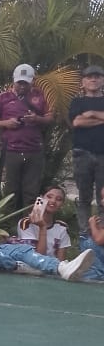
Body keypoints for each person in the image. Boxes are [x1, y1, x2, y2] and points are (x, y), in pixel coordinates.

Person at [0, 64, 52, 213]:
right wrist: (6, 123)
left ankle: (31, 226)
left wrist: (37, 119)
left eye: (25, 83)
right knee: (10, 191)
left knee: (32, 191)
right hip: (10, 150)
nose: (22, 86)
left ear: (32, 81)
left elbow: (50, 118)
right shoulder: (3, 97)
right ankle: (7, 227)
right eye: (19, 82)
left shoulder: (40, 96)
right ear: (14, 80)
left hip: (34, 150)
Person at [69, 64, 104, 236]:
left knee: (103, 198)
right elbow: (77, 123)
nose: (93, 79)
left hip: (103, 155)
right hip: (81, 153)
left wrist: (91, 113)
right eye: (89, 76)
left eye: (97, 76)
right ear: (83, 81)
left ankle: (102, 233)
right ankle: (85, 234)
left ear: (102, 80)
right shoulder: (77, 102)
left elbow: (83, 120)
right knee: (84, 197)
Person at [14, 185, 70, 263]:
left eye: (59, 199)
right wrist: (42, 227)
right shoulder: (26, 223)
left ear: (62, 205)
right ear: (41, 198)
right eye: (49, 197)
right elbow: (37, 259)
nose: (53, 201)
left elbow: (61, 261)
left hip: (52, 270)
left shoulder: (62, 227)